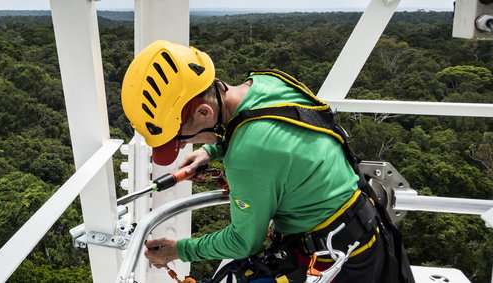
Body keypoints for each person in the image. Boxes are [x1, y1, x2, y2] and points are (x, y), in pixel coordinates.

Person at [120, 40, 413, 282]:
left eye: (182, 137)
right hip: (367, 226)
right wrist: (211, 151)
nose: (185, 144)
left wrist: (178, 250)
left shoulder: (248, 156)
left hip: (341, 259)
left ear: (206, 113)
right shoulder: (267, 83)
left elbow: (243, 241)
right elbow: (273, 133)